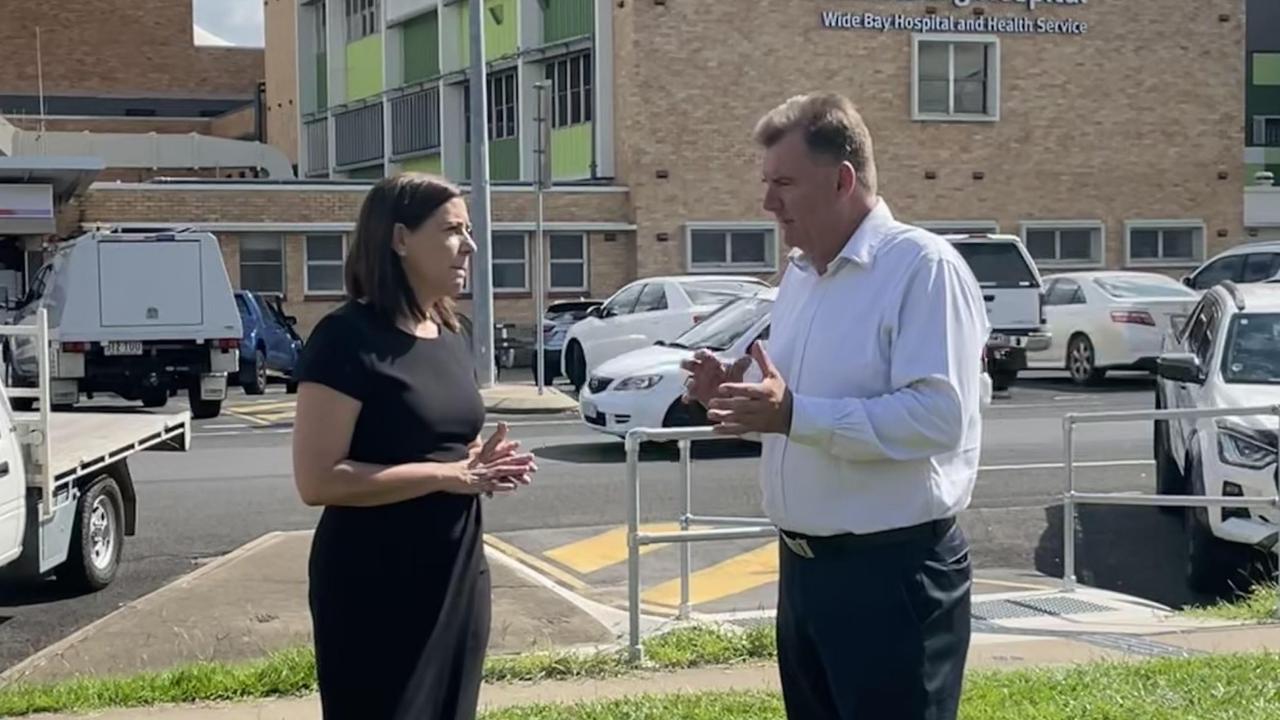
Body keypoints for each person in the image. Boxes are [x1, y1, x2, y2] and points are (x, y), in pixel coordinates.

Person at [682, 93, 990, 719]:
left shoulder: (923, 269)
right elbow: (792, 407)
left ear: (843, 179)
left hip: (893, 577)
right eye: (767, 183)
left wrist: (793, 413)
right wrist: (738, 398)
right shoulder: (800, 275)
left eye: (785, 184)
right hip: (806, 574)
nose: (769, 203)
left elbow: (938, 418)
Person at [291, 173, 538, 720]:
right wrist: (451, 476)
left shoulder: (449, 333)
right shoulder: (345, 339)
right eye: (452, 230)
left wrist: (481, 462)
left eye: (469, 230)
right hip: (374, 583)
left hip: (456, 571)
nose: (470, 245)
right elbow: (319, 480)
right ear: (399, 239)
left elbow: (445, 444)